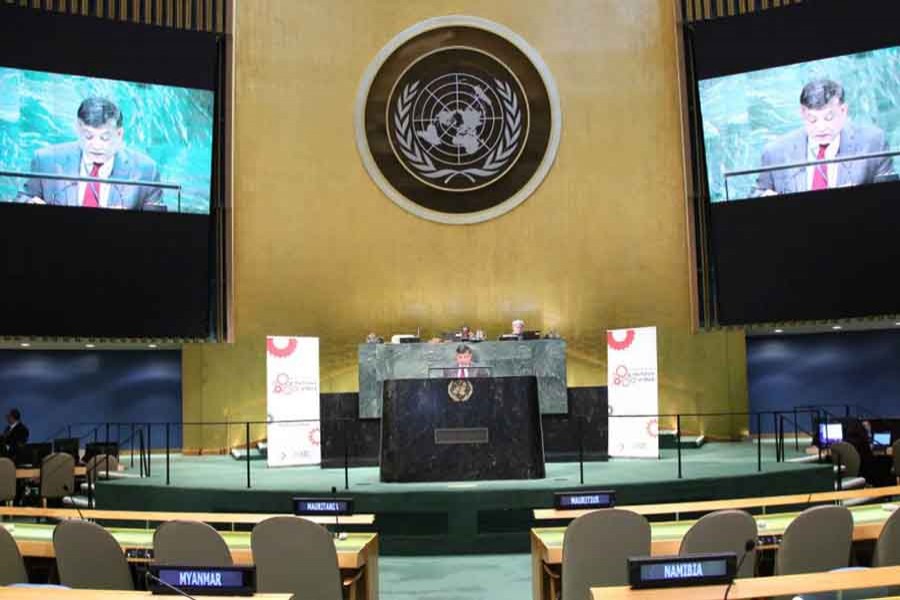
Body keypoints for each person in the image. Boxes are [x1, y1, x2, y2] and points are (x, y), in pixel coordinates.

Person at [755, 79, 894, 197]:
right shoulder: (775, 152)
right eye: (812, 119)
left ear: (843, 111)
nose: (821, 128)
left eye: (828, 118)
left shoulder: (873, 143)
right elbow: (756, 193)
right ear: (802, 113)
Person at [19, 97, 163, 210]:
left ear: (119, 134)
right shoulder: (46, 160)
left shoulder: (146, 171)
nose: (96, 145)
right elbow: (22, 198)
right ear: (77, 129)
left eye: (105, 138)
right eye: (88, 136)